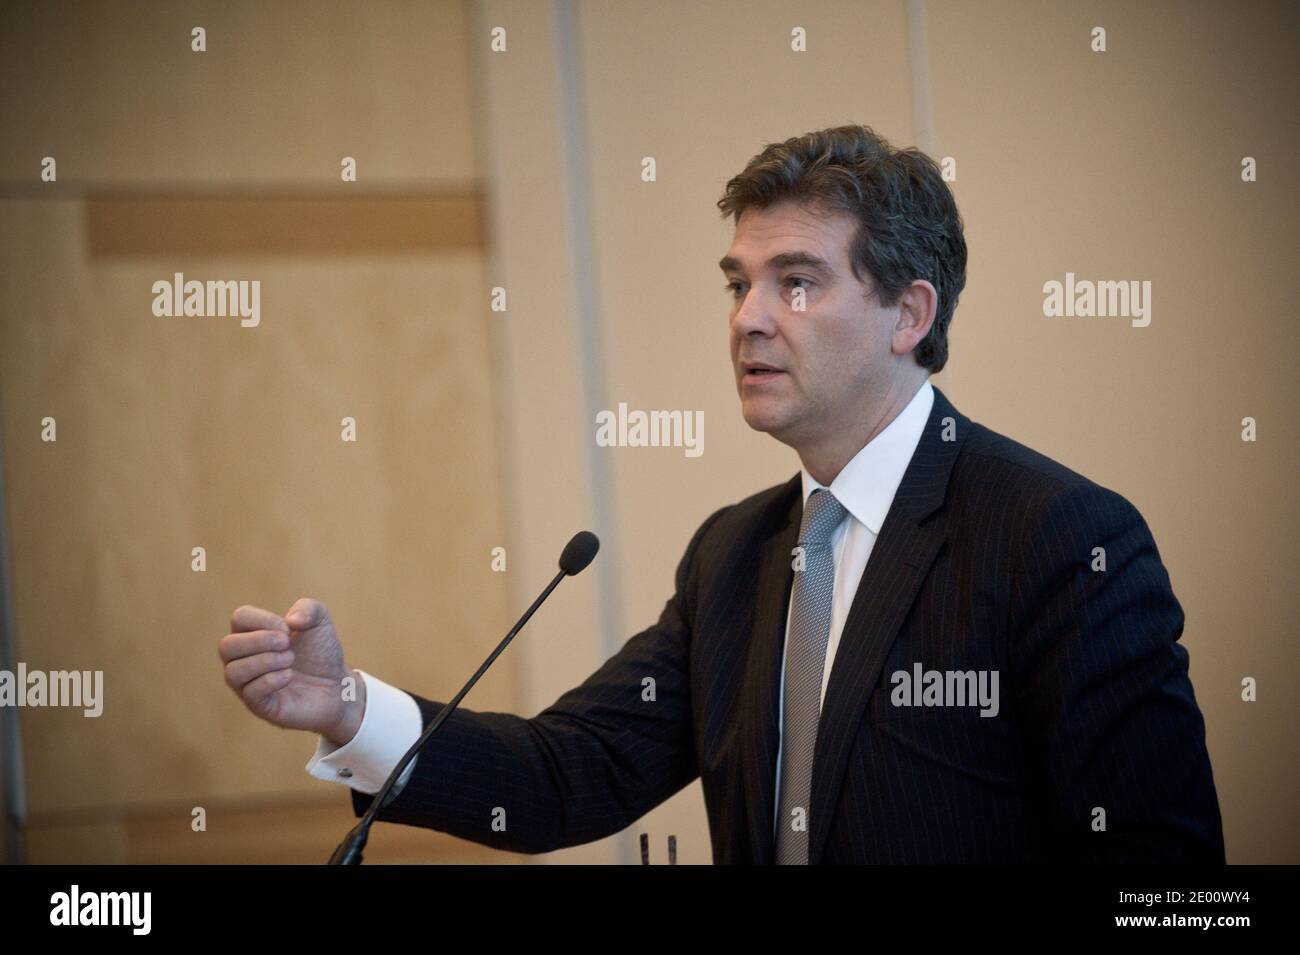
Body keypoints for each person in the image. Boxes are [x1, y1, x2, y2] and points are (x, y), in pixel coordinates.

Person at [218, 125, 1224, 863]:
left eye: (795, 282)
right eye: (737, 283)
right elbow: (570, 773)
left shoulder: (1055, 538)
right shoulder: (734, 557)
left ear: (907, 313)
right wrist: (344, 706)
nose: (747, 319)